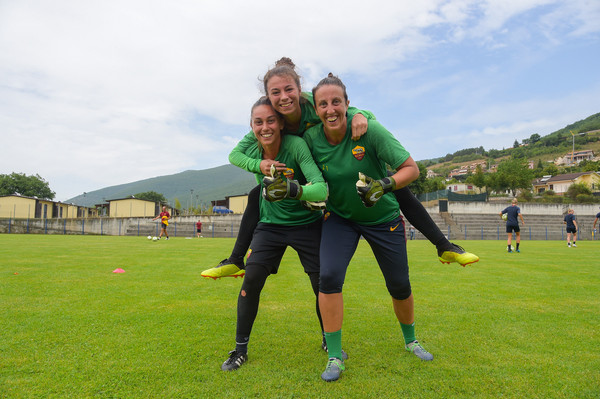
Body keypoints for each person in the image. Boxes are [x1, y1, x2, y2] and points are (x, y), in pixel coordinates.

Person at [201, 57, 478, 279]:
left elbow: (347, 107)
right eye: (276, 92)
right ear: (268, 96)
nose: (284, 97)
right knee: (255, 194)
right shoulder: (270, 118)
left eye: (289, 90)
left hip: (325, 165)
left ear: (300, 91)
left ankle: (444, 246)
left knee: (394, 186)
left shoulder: (314, 104)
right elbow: (235, 154)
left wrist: (361, 114)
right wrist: (259, 164)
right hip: (298, 171)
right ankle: (236, 259)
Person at [303, 73, 432, 382]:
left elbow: (411, 168)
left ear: (348, 105)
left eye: (336, 102)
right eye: (323, 104)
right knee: (329, 277)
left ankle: (411, 340)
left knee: (399, 284)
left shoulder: (369, 130)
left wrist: (383, 185)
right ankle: (335, 356)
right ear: (316, 109)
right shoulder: (311, 139)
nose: (330, 109)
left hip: (382, 219)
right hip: (340, 218)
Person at [220, 96, 335, 372]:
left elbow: (321, 188)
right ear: (251, 126)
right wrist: (258, 165)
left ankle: (328, 339)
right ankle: (240, 349)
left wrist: (293, 189)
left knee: (321, 283)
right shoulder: (253, 147)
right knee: (252, 279)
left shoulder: (296, 145)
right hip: (270, 226)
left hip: (307, 223)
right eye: (258, 122)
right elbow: (233, 156)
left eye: (271, 120)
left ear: (281, 123)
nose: (265, 127)